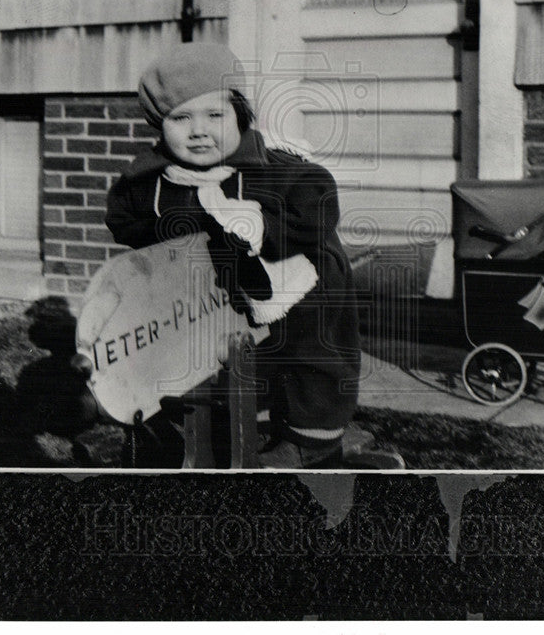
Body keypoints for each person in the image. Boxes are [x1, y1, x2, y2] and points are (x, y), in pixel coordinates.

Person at [104, 43, 361, 468]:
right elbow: (127, 223)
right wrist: (175, 232)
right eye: (180, 118)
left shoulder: (273, 168)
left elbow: (316, 203)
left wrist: (265, 229)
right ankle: (185, 424)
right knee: (173, 339)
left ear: (239, 116)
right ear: (158, 125)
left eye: (214, 115)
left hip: (286, 291)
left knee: (315, 325)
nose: (199, 131)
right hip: (205, 299)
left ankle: (309, 437)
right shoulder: (149, 181)